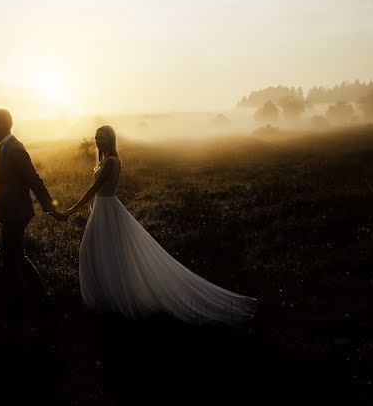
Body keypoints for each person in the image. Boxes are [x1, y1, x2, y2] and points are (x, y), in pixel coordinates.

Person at [63, 125, 257, 325]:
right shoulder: (106, 160)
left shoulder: (111, 162)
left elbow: (94, 189)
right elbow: (100, 192)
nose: (97, 141)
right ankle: (105, 296)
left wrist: (71, 210)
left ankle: (112, 298)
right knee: (97, 251)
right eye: (96, 138)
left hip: (107, 210)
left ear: (111, 140)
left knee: (95, 251)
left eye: (102, 138)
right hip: (103, 209)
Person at [0, 109, 66, 319]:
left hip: (17, 212)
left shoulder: (15, 149)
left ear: (3, 125)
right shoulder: (3, 147)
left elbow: (34, 180)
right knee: (15, 257)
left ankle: (26, 301)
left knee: (12, 257)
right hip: (10, 211)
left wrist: (50, 207)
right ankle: (35, 297)